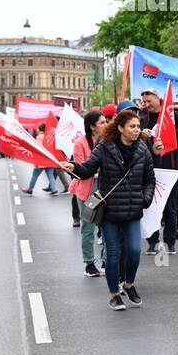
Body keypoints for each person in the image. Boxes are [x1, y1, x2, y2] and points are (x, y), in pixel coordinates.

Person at [62, 109, 156, 312]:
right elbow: (87, 168)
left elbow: (150, 179)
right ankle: (114, 295)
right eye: (132, 126)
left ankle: (128, 285)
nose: (137, 130)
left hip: (132, 209)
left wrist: (144, 199)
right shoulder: (104, 146)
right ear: (121, 128)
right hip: (110, 211)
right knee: (113, 254)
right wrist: (74, 167)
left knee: (134, 251)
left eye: (138, 126)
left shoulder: (142, 149)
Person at [137, 88, 178, 255]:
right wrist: (141, 135)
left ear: (157, 98)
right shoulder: (141, 117)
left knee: (170, 206)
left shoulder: (174, 116)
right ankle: (152, 242)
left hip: (170, 168)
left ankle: (170, 241)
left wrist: (170, 127)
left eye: (149, 101)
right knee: (150, 206)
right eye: (144, 102)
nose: (146, 105)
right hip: (149, 167)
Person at [70, 110, 109, 277]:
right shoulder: (80, 143)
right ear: (92, 127)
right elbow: (81, 169)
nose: (106, 125)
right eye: (102, 122)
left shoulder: (109, 141)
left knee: (108, 227)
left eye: (106, 121)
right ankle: (89, 263)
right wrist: (98, 168)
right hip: (88, 191)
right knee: (88, 228)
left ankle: (108, 259)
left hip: (107, 189)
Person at [21, 124, 63, 195]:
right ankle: (54, 190)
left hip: (41, 160)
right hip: (50, 159)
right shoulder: (49, 137)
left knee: (35, 175)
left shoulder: (39, 137)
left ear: (40, 129)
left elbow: (39, 149)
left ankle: (30, 189)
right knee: (51, 176)